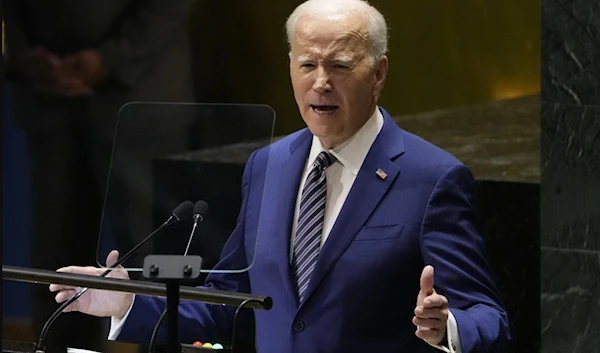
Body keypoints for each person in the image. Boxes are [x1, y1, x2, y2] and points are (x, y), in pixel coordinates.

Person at [50, 0, 511, 352]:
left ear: (379, 74)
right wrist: (125, 302)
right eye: (307, 64)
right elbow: (227, 304)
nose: (321, 82)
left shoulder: (434, 178)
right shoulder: (267, 165)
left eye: (340, 65)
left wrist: (448, 326)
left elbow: (489, 317)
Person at [3, 1, 195, 351]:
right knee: (56, 255)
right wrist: (23, 54)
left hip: (143, 92)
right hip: (47, 96)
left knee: (157, 253)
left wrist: (109, 59)